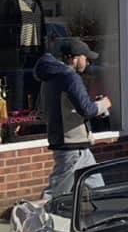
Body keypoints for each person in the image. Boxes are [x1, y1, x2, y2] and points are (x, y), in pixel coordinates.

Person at [34, 39, 110, 197]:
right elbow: (87, 110)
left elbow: (45, 109)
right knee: (53, 195)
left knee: (98, 191)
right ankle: (30, 218)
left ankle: (102, 218)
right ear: (74, 58)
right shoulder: (70, 77)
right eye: (86, 57)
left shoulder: (50, 77)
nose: (88, 62)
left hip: (75, 145)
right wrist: (103, 104)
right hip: (72, 147)